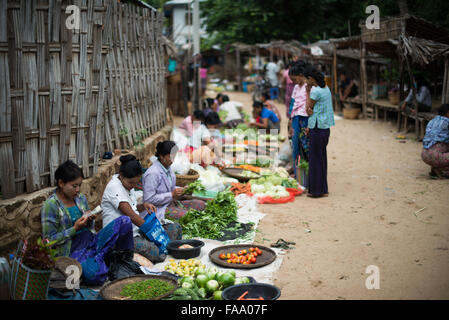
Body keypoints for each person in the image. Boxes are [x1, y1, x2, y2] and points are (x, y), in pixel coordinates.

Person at [41, 160, 134, 286]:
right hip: (72, 252)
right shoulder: (51, 205)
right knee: (94, 276)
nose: (78, 190)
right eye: (74, 186)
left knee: (125, 221)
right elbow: (48, 241)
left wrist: (90, 219)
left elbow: (89, 229)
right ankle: (103, 259)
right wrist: (74, 228)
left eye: (79, 185)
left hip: (91, 242)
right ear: (61, 183)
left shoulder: (80, 199)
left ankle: (121, 261)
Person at [101, 155, 181, 263]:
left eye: (136, 183)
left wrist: (144, 206)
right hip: (121, 236)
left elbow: (133, 208)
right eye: (131, 183)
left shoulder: (127, 185)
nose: (133, 186)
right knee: (156, 251)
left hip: (136, 230)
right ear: (121, 176)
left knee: (175, 228)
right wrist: (153, 232)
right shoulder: (114, 187)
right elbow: (132, 216)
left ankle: (163, 249)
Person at [143, 141, 206, 222]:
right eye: (170, 157)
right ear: (161, 156)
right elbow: (149, 199)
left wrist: (182, 190)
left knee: (200, 204)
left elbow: (170, 188)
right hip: (158, 209)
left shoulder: (168, 169)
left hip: (171, 203)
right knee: (188, 216)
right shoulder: (153, 173)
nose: (173, 160)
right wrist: (171, 194)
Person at [304, 65, 335, 198]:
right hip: (325, 128)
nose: (306, 82)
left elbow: (308, 108)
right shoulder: (326, 88)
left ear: (311, 79)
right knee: (321, 158)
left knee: (315, 159)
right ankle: (323, 188)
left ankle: (316, 191)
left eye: (307, 80)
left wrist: (307, 92)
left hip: (317, 128)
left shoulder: (315, 91)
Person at [288, 61, 309, 179]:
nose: (293, 82)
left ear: (301, 75)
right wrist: (290, 120)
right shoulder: (296, 87)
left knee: (306, 146)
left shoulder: (309, 86)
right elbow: (292, 103)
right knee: (295, 145)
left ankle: (309, 172)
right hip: (296, 117)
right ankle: (297, 173)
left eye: (294, 79)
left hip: (306, 118)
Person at [421, 104, 449, 178]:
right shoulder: (447, 122)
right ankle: (441, 169)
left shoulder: (432, 121)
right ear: (448, 113)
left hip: (424, 154)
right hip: (436, 156)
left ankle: (436, 168)